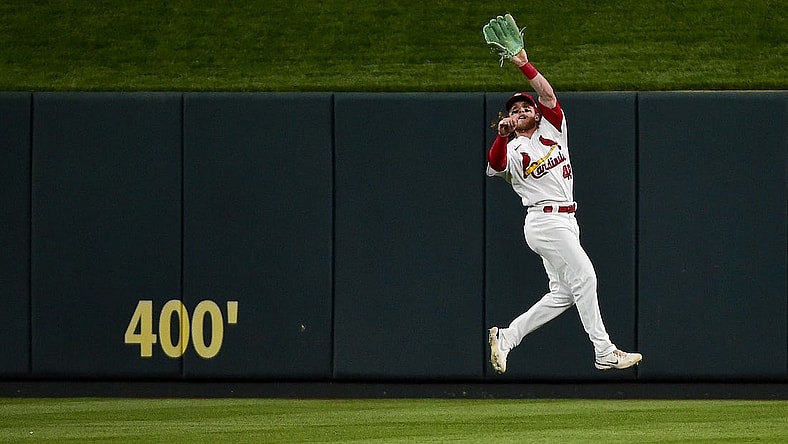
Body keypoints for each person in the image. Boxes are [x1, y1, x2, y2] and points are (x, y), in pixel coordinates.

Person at [486, 47, 642, 373]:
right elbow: (496, 164)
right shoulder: (513, 148)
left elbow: (547, 92)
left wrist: (523, 64)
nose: (520, 110)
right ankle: (604, 351)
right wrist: (502, 137)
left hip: (567, 220)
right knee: (585, 276)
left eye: (525, 106)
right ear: (509, 121)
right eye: (514, 109)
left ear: (536, 113)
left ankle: (508, 337)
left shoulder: (553, 130)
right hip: (544, 221)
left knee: (564, 293)